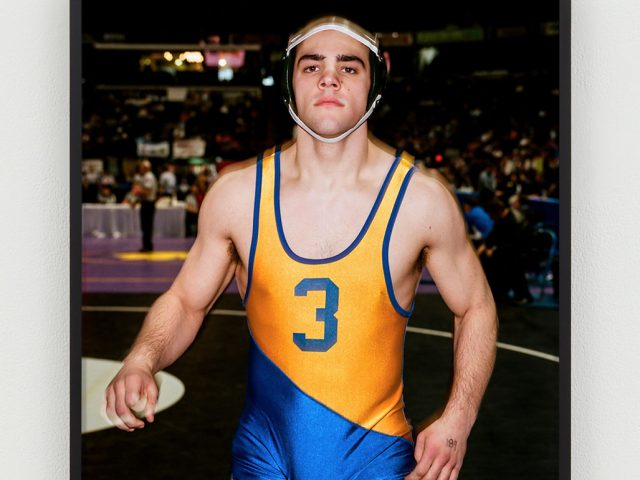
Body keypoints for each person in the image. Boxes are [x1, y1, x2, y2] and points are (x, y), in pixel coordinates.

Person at [104, 16, 497, 480]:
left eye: (349, 67)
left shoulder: (420, 199)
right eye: (312, 66)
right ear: (289, 82)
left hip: (376, 462)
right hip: (262, 462)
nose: (329, 77)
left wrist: (459, 416)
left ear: (376, 83)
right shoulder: (237, 194)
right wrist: (141, 357)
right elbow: (187, 301)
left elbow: (475, 305)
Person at [138, 159, 157, 252]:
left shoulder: (148, 177)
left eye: (141, 167)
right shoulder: (146, 176)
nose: (140, 169)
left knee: (147, 226)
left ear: (145, 168)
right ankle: (146, 245)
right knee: (145, 226)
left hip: (148, 204)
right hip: (146, 203)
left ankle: (148, 246)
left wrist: (137, 191)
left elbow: (147, 191)